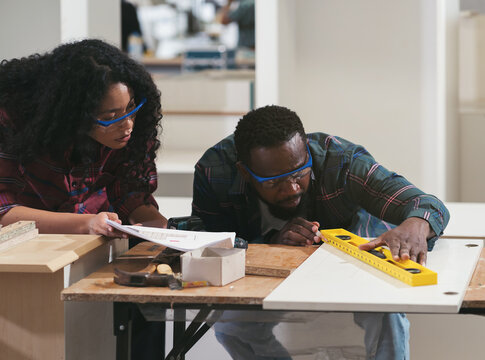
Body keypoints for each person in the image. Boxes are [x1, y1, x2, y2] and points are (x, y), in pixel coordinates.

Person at [192, 105, 450, 359]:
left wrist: (415, 225)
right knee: (232, 325)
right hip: (268, 274)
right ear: (244, 172)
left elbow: (426, 204)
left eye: (300, 172)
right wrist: (271, 241)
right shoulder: (216, 171)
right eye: (273, 182)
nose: (292, 189)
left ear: (307, 152)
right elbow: (209, 246)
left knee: (386, 316)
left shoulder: (341, 160)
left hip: (352, 262)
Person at [0, 39, 167, 360]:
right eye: (111, 115)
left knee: (147, 298)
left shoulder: (130, 126)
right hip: (23, 257)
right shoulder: (12, 119)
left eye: (131, 107)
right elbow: (3, 210)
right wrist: (86, 222)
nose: (127, 123)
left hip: (89, 244)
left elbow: (129, 190)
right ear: (72, 115)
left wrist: (150, 222)